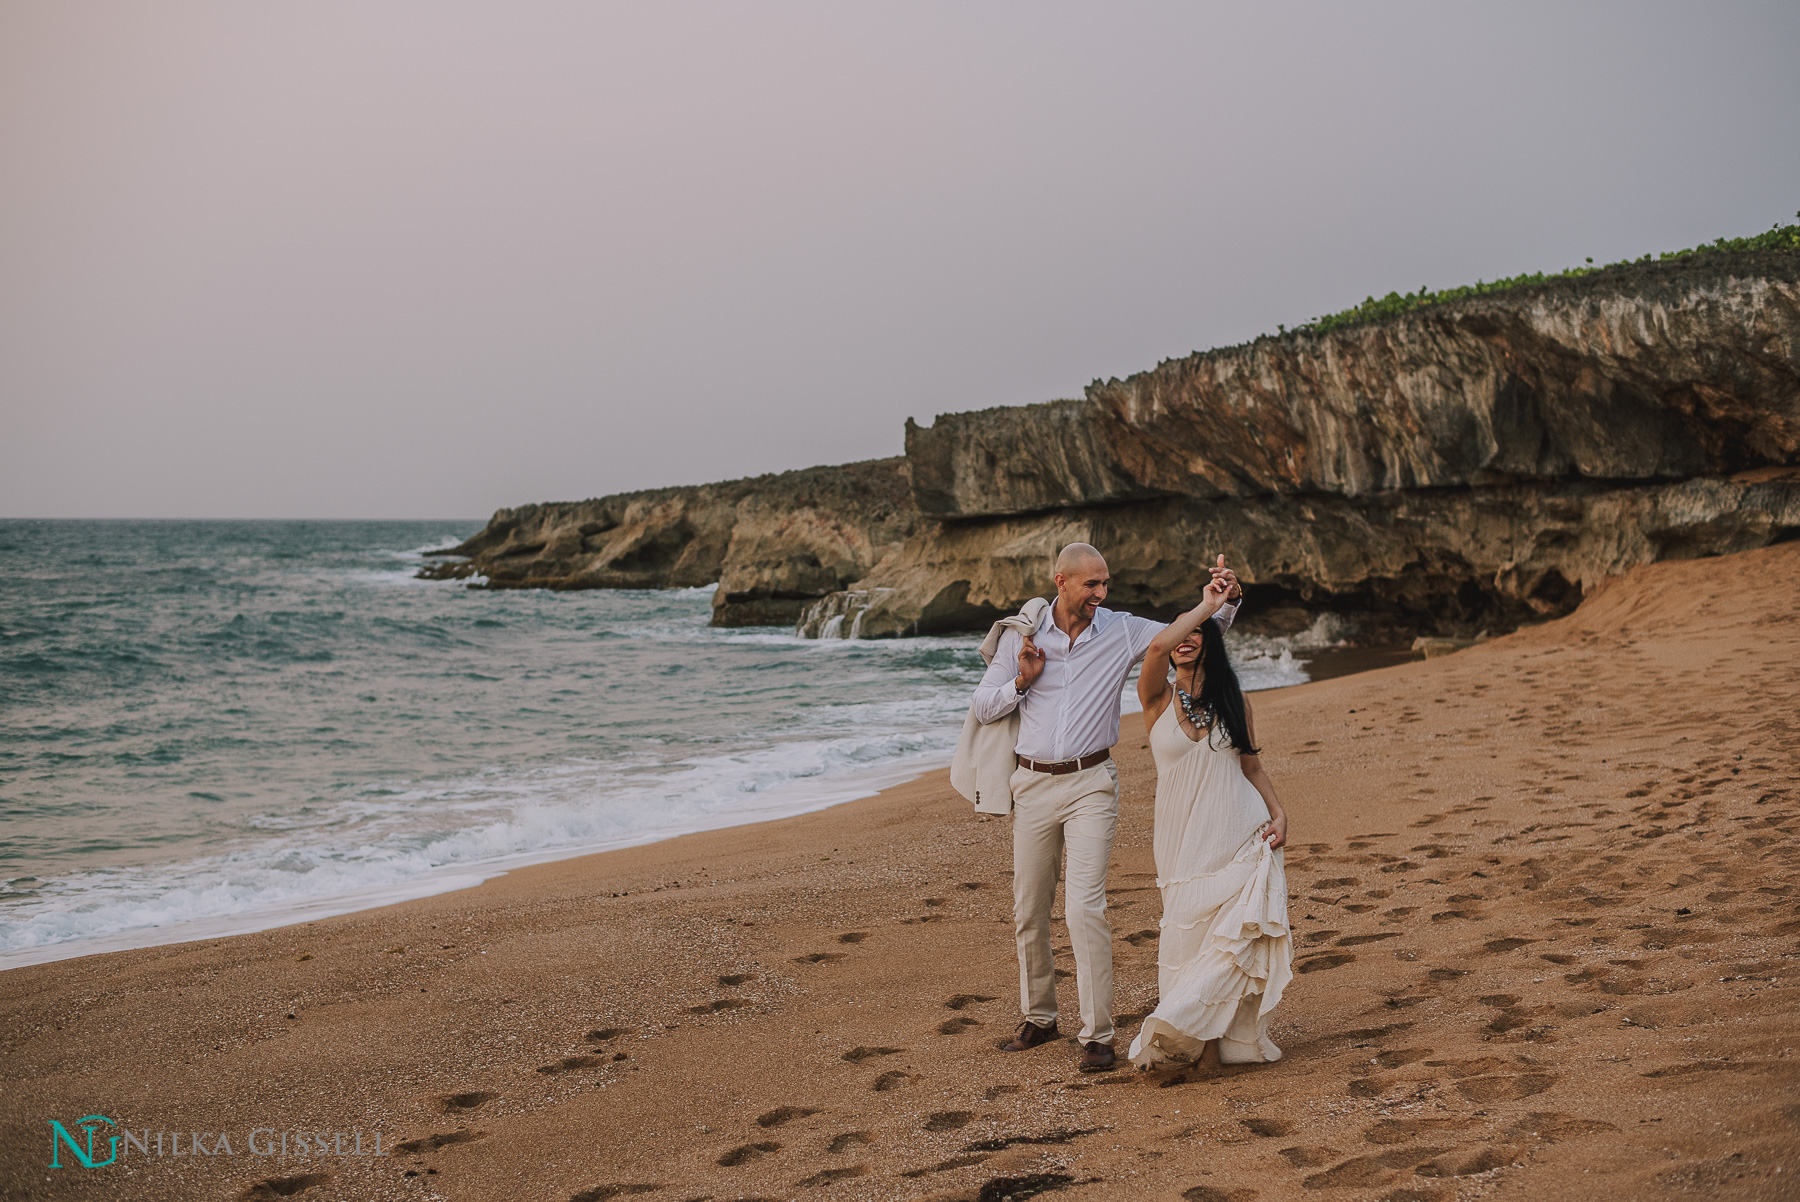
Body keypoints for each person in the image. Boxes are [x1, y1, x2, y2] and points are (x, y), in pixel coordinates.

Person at [972, 544, 1241, 1073]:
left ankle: (1097, 1035)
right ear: (1062, 582)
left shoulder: (1121, 629)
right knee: (1029, 909)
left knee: (1083, 907)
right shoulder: (1022, 636)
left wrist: (1219, 602)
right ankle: (1040, 1019)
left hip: (1091, 781)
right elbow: (982, 706)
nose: (1101, 594)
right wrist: (1022, 680)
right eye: (1091, 585)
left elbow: (1180, 637)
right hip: (1030, 783)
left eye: (1105, 584)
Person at [1126, 591, 1293, 1072]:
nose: (1185, 639)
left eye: (1198, 631)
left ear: (1211, 640)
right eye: (1181, 630)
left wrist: (1279, 814)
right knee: (1190, 936)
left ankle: (1215, 1049)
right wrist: (1205, 607)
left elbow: (1252, 768)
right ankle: (1192, 1037)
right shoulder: (1155, 696)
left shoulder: (1234, 700)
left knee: (1229, 938)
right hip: (1180, 836)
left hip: (1237, 826)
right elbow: (1156, 649)